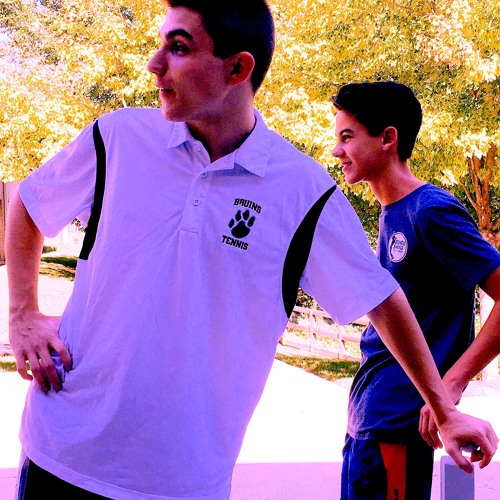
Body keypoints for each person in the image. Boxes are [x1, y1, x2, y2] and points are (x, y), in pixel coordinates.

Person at [6, 2, 497, 498]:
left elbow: (383, 301)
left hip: (183, 483)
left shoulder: (304, 192)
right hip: (59, 455)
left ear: (238, 68)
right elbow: (29, 202)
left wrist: (444, 409)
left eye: (179, 48)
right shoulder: (116, 137)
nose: (155, 64)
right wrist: (23, 312)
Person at [331, 81, 500, 500]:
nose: (336, 151)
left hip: (399, 426)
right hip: (369, 422)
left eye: (347, 137)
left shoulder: (431, 211)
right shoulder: (392, 211)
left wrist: (451, 384)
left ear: (388, 138)